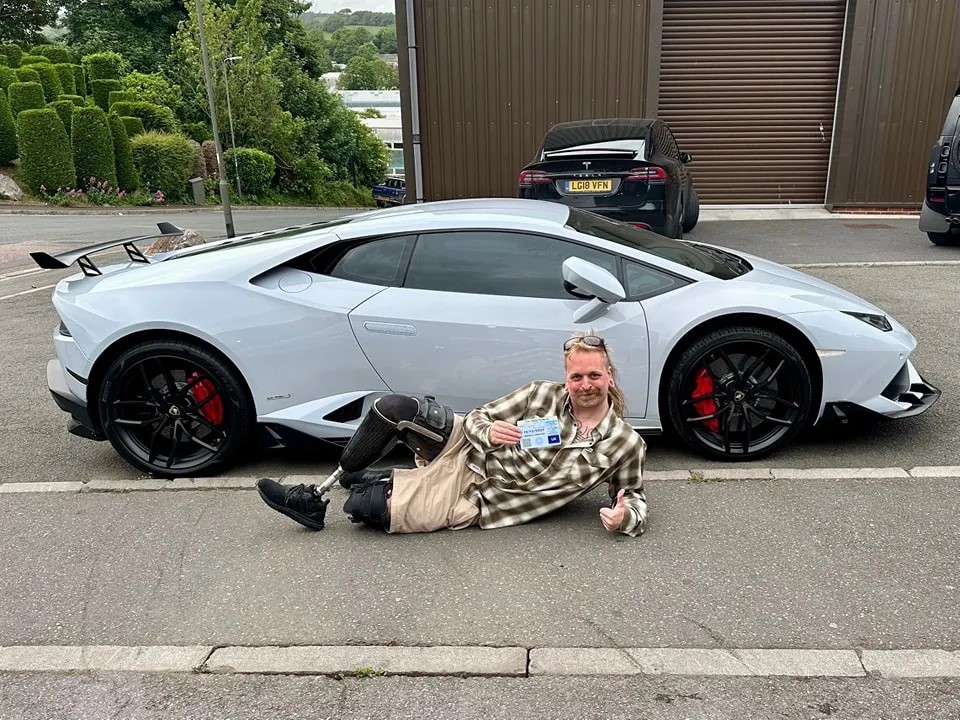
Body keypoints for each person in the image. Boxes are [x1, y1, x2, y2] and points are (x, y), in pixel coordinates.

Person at [256, 333, 649, 537]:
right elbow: (478, 416)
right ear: (566, 377)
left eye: (594, 375)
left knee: (366, 507)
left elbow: (633, 496)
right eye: (576, 376)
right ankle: (313, 498)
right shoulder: (540, 394)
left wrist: (624, 518)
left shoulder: (625, 443)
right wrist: (488, 431)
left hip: (480, 495)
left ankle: (376, 480)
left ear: (609, 376)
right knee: (394, 408)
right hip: (468, 446)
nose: (585, 385)